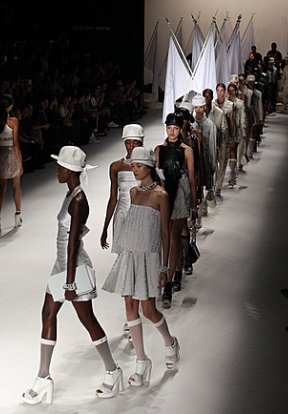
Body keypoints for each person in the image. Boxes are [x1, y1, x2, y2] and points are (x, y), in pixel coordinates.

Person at [22, 146, 122, 404]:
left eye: (60, 168)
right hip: (62, 265)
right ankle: (43, 377)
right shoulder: (71, 195)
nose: (57, 171)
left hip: (74, 268)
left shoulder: (78, 200)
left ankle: (112, 371)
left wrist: (69, 283)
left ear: (70, 171)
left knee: (87, 320)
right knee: (48, 313)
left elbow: (72, 243)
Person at [103, 147, 181, 387]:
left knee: (149, 310)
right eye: (133, 166)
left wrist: (165, 269)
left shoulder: (161, 195)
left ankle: (170, 343)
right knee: (129, 305)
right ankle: (141, 362)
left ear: (149, 167)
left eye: (138, 166)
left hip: (149, 257)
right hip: (130, 254)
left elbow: (165, 234)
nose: (134, 170)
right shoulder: (133, 192)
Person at [155, 112, 197, 308]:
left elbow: (192, 180)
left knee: (173, 236)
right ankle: (174, 270)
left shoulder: (187, 151)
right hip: (164, 192)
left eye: (175, 128)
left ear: (181, 129)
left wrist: (194, 205)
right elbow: (156, 176)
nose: (171, 132)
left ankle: (168, 283)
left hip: (180, 192)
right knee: (165, 236)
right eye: (169, 128)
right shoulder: (159, 150)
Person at [100, 124, 143, 253]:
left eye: (135, 142)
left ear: (141, 143)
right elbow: (113, 199)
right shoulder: (116, 166)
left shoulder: (149, 166)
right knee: (123, 255)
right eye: (128, 142)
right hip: (122, 214)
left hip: (142, 215)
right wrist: (105, 228)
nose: (131, 146)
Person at [0, 94, 23, 237]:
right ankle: (18, 214)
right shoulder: (13, 121)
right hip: (11, 153)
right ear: (10, 106)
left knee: (1, 188)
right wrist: (20, 162)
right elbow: (15, 143)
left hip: (1, 154)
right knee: (16, 186)